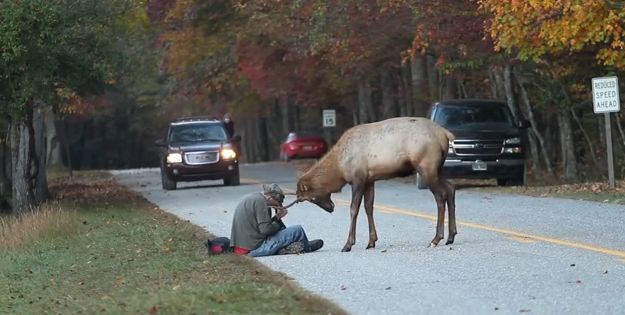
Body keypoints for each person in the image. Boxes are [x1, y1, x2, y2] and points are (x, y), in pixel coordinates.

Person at [230, 183, 323, 257]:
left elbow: (261, 225)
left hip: (242, 247)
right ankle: (307, 247)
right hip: (254, 249)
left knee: (283, 231)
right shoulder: (261, 202)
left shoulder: (252, 197)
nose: (279, 205)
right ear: (270, 198)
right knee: (297, 230)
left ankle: (288, 247)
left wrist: (276, 218)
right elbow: (265, 230)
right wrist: (278, 220)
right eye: (278, 202)